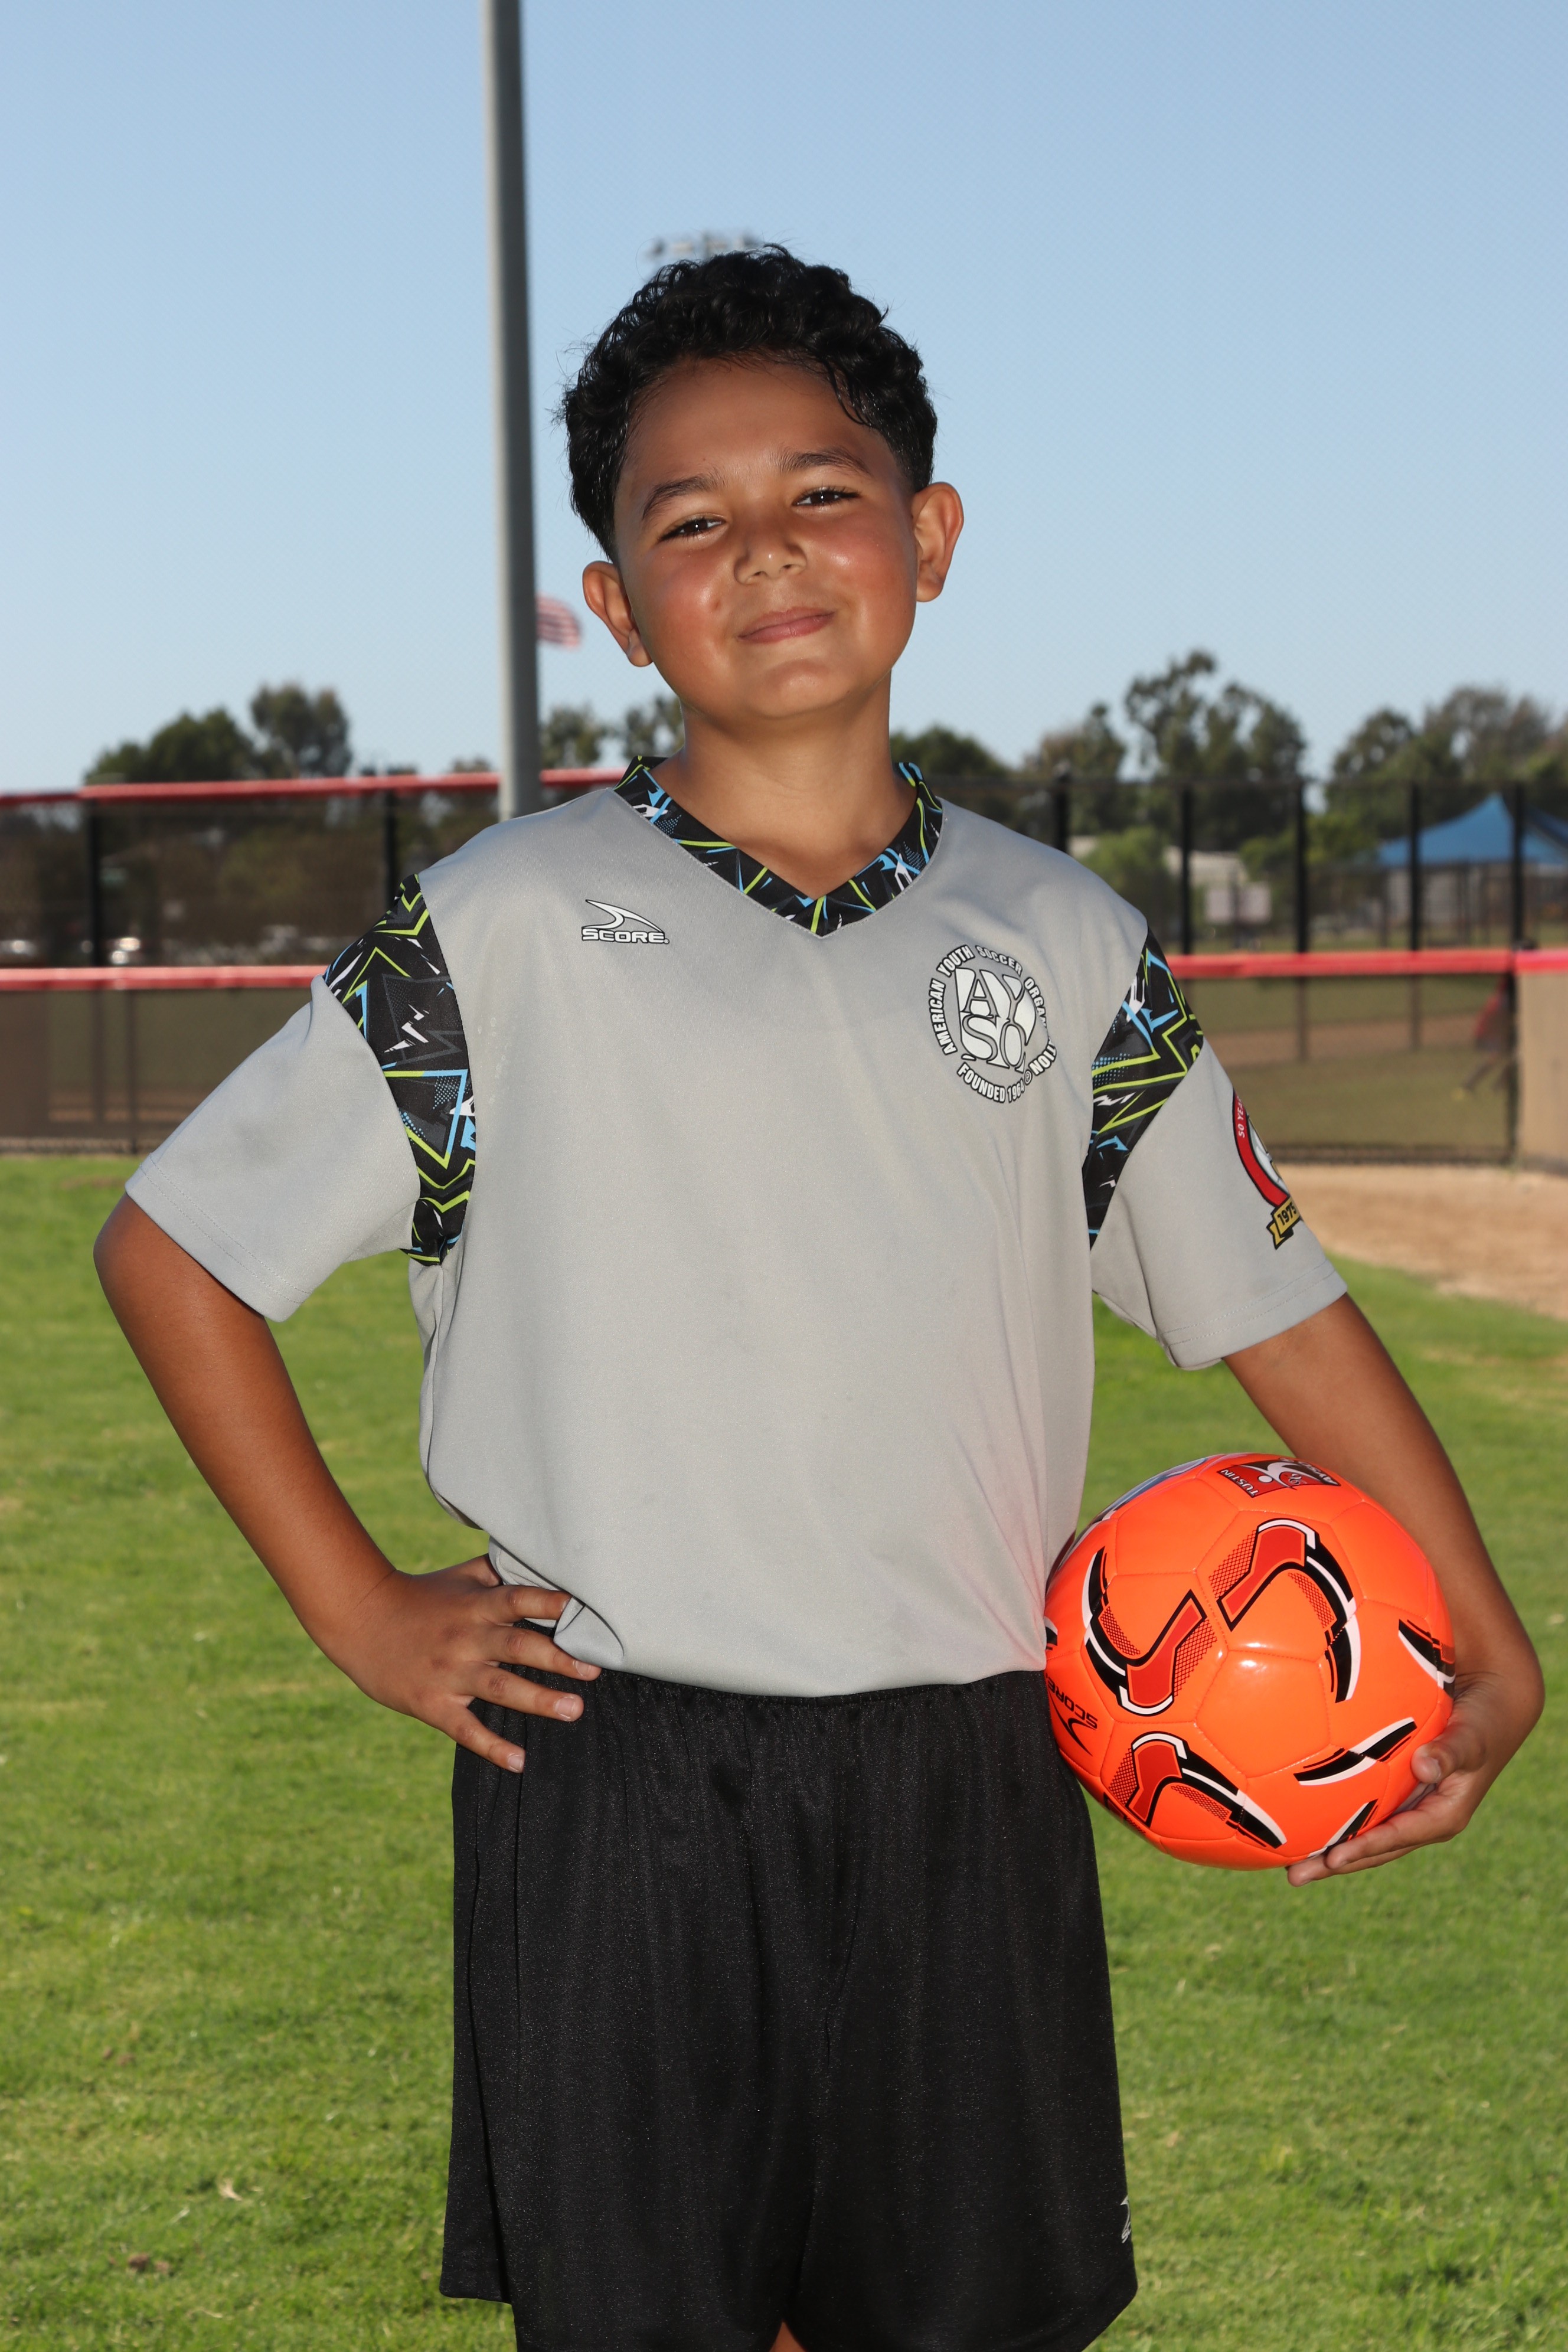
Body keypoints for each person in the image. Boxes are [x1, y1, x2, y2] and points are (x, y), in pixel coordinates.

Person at [95, 247, 1543, 2352]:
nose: (763, 551)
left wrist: (1487, 1642)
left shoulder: (1061, 941)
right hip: (615, 1767)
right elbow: (175, 1252)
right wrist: (360, 1609)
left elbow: (1275, 1304)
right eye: (690, 520)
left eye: (822, 493)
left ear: (930, 536)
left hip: (974, 1767)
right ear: (619, 605)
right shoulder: (503, 926)